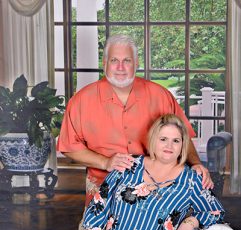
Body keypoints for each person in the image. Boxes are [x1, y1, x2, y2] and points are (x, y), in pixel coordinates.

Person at [61, 114, 225, 230]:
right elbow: (99, 205)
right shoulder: (129, 165)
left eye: (176, 141)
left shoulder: (192, 179)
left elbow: (215, 211)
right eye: (163, 139)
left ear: (183, 145)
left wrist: (189, 222)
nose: (169, 146)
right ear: (152, 140)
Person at [57, 34, 213, 207]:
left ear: (136, 64)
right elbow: (69, 146)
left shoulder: (160, 96)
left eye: (127, 61)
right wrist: (105, 162)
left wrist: (197, 163)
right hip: (104, 190)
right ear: (104, 63)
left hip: (159, 189)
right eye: (114, 60)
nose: (121, 67)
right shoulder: (81, 101)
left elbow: (183, 137)